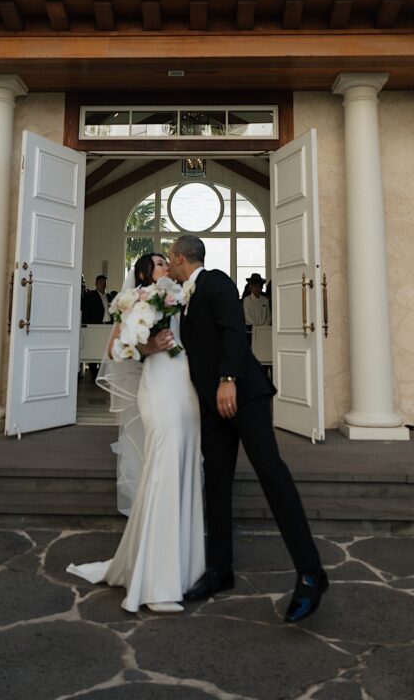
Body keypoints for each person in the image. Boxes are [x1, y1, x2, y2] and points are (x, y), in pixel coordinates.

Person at [168, 234, 328, 623]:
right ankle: (220, 570)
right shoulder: (185, 298)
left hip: (243, 396)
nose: (168, 266)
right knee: (216, 482)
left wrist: (227, 378)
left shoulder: (216, 281)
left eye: (170, 260)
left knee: (272, 474)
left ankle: (311, 573)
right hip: (214, 406)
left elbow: (234, 332)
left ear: (178, 258)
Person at [67, 254, 204, 614]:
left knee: (182, 467)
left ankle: (185, 570)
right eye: (158, 263)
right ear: (143, 274)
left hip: (184, 386)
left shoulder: (180, 296)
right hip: (158, 389)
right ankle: (156, 582)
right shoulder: (135, 300)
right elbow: (117, 348)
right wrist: (148, 347)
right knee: (161, 468)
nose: (165, 265)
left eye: (166, 261)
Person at [81, 274, 114, 381]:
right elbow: (86, 310)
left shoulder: (109, 296)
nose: (103, 284)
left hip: (108, 326)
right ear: (96, 284)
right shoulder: (90, 296)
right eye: (101, 282)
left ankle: (103, 372)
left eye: (104, 283)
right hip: (95, 326)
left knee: (104, 349)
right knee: (94, 349)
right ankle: (94, 373)